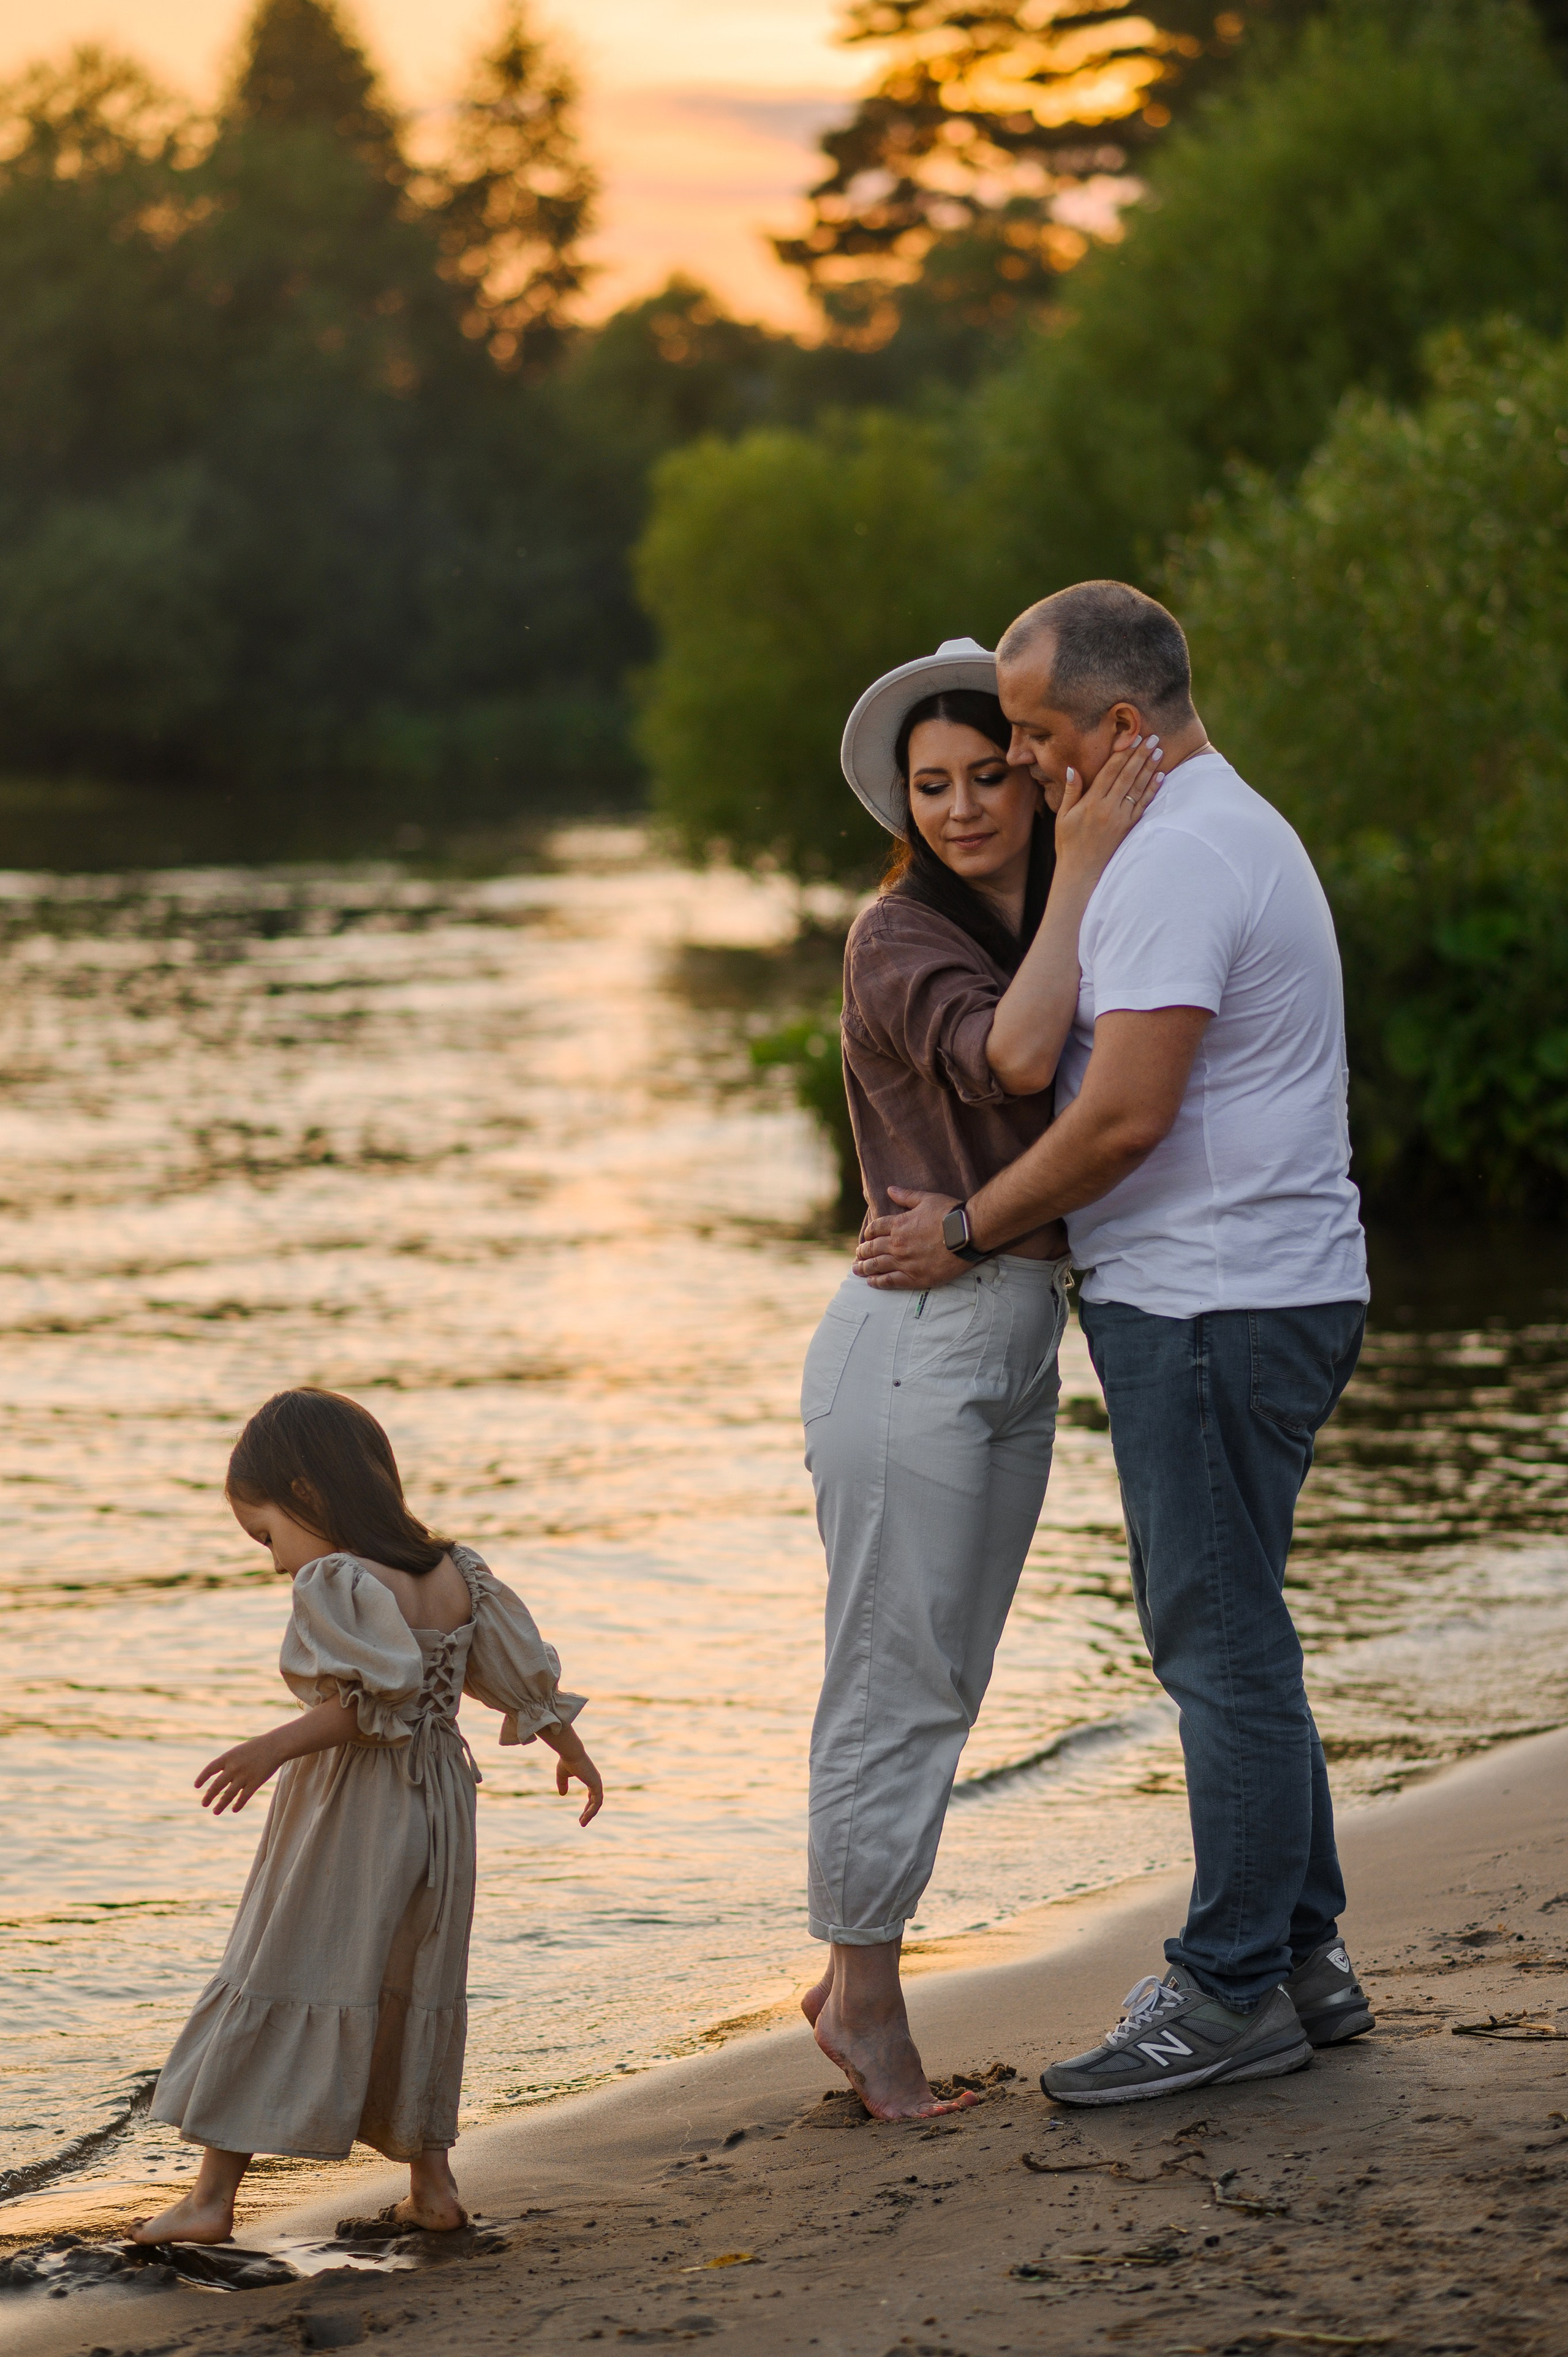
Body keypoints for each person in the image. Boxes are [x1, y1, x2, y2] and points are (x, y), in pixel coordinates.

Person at [854, 581, 1374, 2105]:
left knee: (1215, 1649)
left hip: (1213, 1305)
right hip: (1245, 1288)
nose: (1012, 766)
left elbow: (1122, 1114)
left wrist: (959, 1229)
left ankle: (1223, 1991)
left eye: (1028, 734)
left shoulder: (1173, 862)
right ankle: (1301, 1958)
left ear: (1119, 727)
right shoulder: (1198, 834)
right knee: (1242, 1631)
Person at [801, 636, 1163, 2120]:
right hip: (915, 1339)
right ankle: (868, 2003)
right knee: (894, 1676)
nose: (958, 807)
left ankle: (849, 1971)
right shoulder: (898, 937)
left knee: (943, 1673)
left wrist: (1083, 875)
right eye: (928, 786)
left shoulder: (1060, 917)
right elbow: (1017, 1066)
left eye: (984, 775)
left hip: (1015, 1327)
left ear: (1030, 768)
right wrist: (1082, 863)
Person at [132, 1387, 601, 2244]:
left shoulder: (339, 1578)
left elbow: (368, 1705)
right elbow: (512, 1673)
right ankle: (433, 2188)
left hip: (353, 1804)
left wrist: (273, 1746)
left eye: (267, 1536)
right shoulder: (456, 1571)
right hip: (441, 1807)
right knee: (416, 1980)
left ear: (308, 1494)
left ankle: (210, 2201)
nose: (275, 1563)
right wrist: (570, 1748)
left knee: (285, 1960)